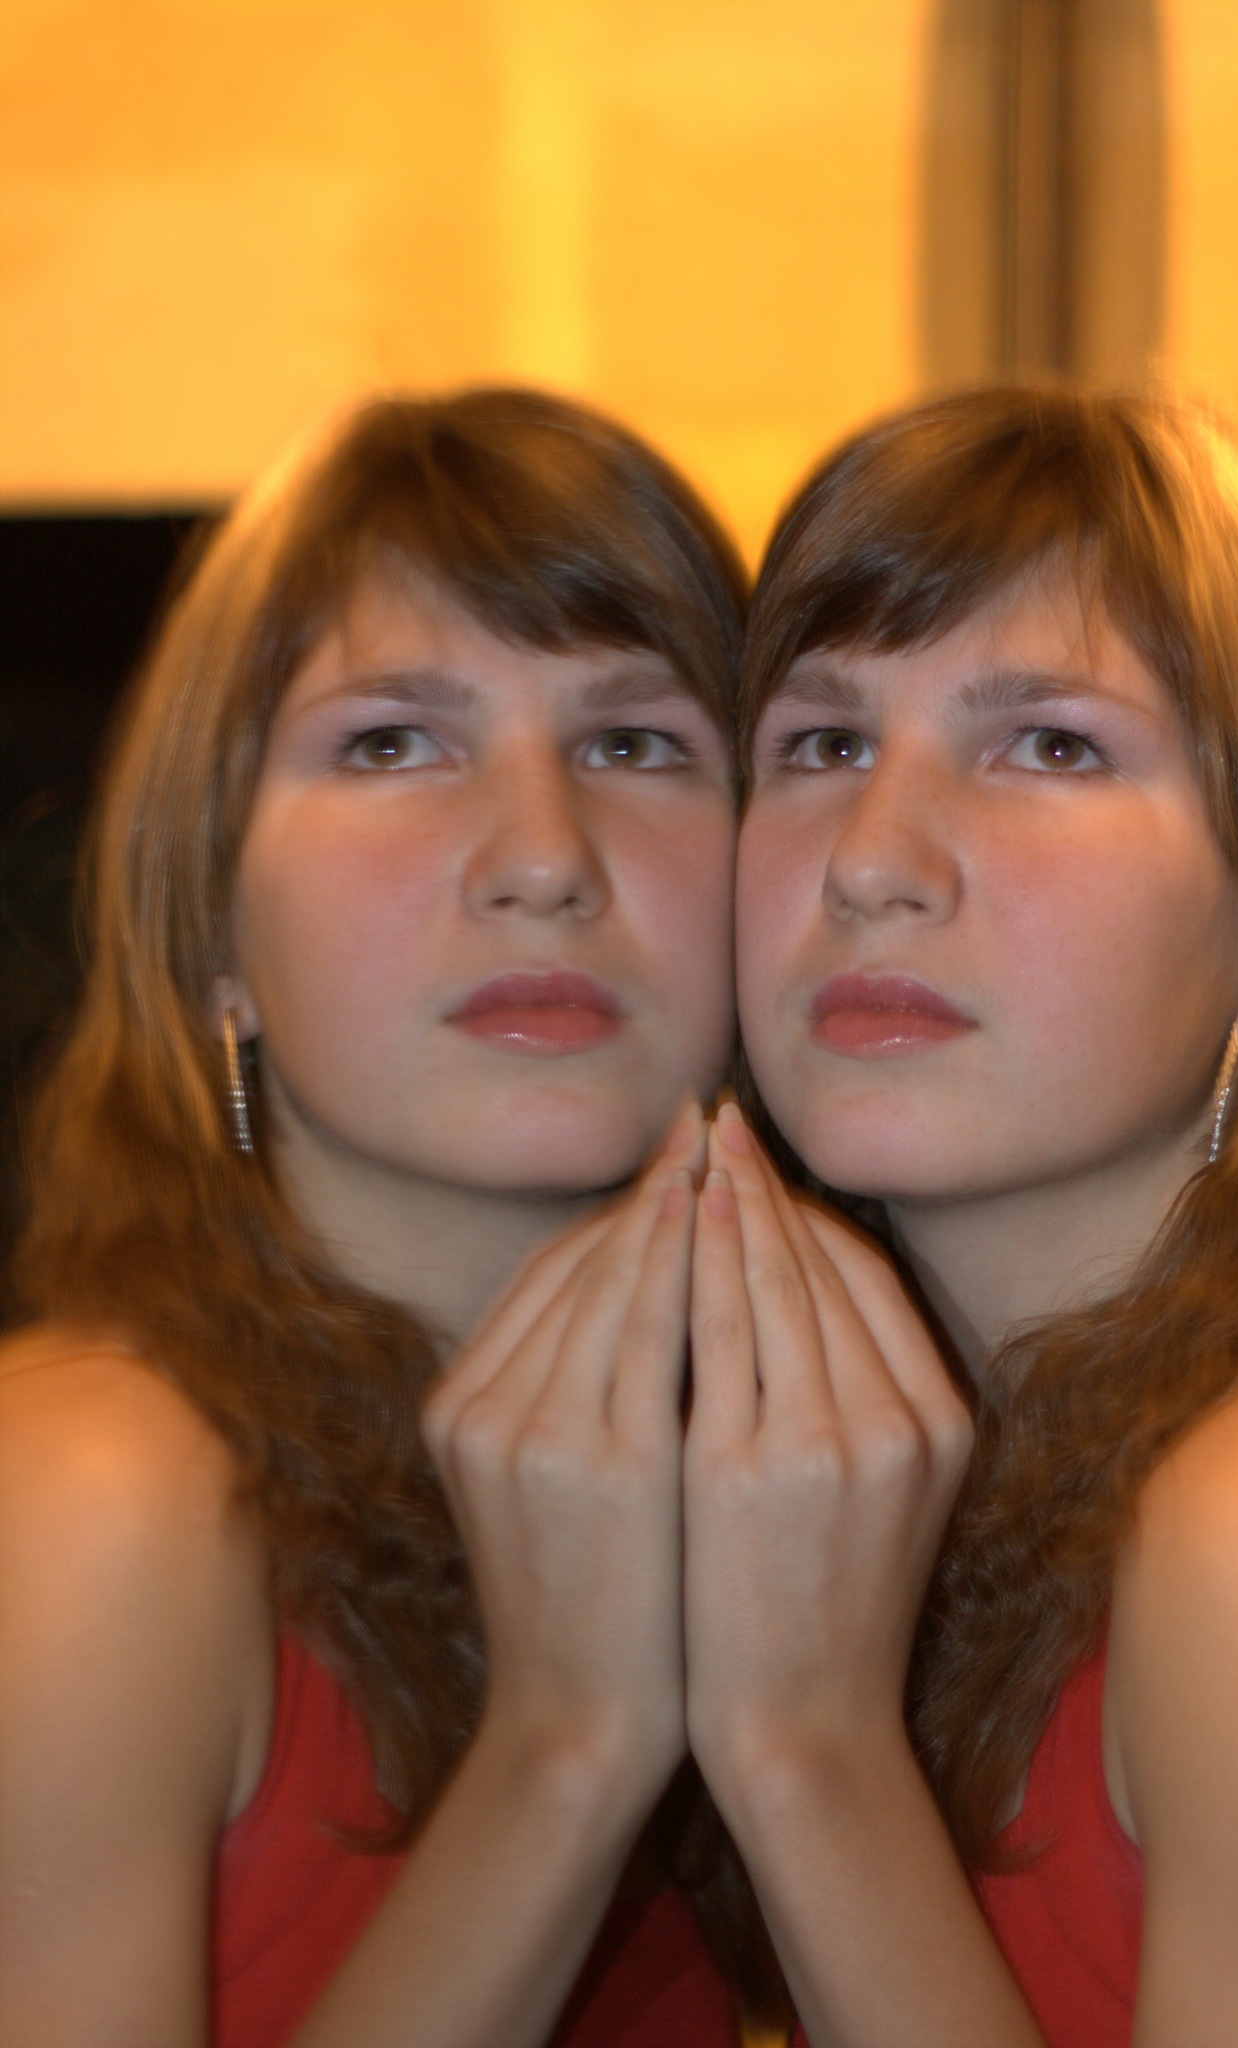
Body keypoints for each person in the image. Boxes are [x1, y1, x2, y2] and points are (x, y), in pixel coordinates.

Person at [0, 388, 754, 2048]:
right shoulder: (94, 1491)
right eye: (391, 744)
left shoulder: (748, 1489)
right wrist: (565, 1745)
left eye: (633, 744)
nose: (542, 856)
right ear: (212, 930)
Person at [677, 387, 1238, 2047]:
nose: (873, 858)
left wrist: (805, 1746)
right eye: (824, 745)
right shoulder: (915, 1484)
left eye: (1049, 745)